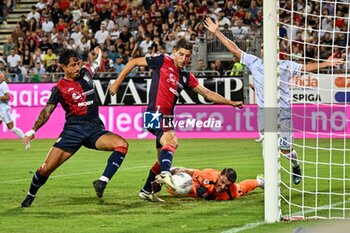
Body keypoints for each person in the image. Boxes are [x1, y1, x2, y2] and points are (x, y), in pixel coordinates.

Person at [204, 18, 344, 185]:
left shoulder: (285, 65)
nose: (264, 49)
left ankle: (295, 165)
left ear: (276, 50)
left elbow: (306, 68)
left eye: (268, 47)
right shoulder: (254, 62)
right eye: (262, 47)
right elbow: (234, 49)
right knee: (267, 145)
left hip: (283, 110)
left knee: (285, 149)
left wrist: (326, 63)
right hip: (265, 111)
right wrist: (217, 32)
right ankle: (270, 180)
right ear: (261, 51)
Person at [109, 38, 243, 202]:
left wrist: (231, 103)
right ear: (174, 53)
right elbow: (134, 62)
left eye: (187, 56)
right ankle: (166, 174)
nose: (183, 59)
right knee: (173, 141)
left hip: (167, 118)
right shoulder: (163, 60)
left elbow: (207, 94)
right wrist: (117, 82)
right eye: (180, 54)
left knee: (161, 159)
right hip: (154, 113)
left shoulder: (186, 77)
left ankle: (146, 191)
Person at [20, 48, 129, 208]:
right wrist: (33, 130)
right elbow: (47, 111)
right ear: (63, 67)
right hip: (73, 131)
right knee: (45, 169)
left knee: (122, 145)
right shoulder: (59, 88)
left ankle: (101, 182)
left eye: (78, 64)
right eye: (72, 65)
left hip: (94, 129)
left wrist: (97, 53)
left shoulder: (86, 73)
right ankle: (30, 195)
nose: (77, 68)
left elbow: (96, 64)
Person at [155, 167, 264, 201]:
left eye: (227, 185)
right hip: (199, 184)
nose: (222, 187)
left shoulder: (232, 192)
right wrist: (165, 174)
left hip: (206, 191)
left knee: (242, 188)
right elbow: (181, 170)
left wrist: (208, 197)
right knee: (181, 186)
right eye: (222, 182)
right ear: (219, 176)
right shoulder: (207, 176)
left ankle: (260, 182)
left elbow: (213, 197)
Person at [0, 72, 27, 146]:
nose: (1, 79)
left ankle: (26, 140)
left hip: (3, 108)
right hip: (1, 107)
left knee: (12, 128)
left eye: (1, 77)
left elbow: (8, 97)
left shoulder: (3, 85)